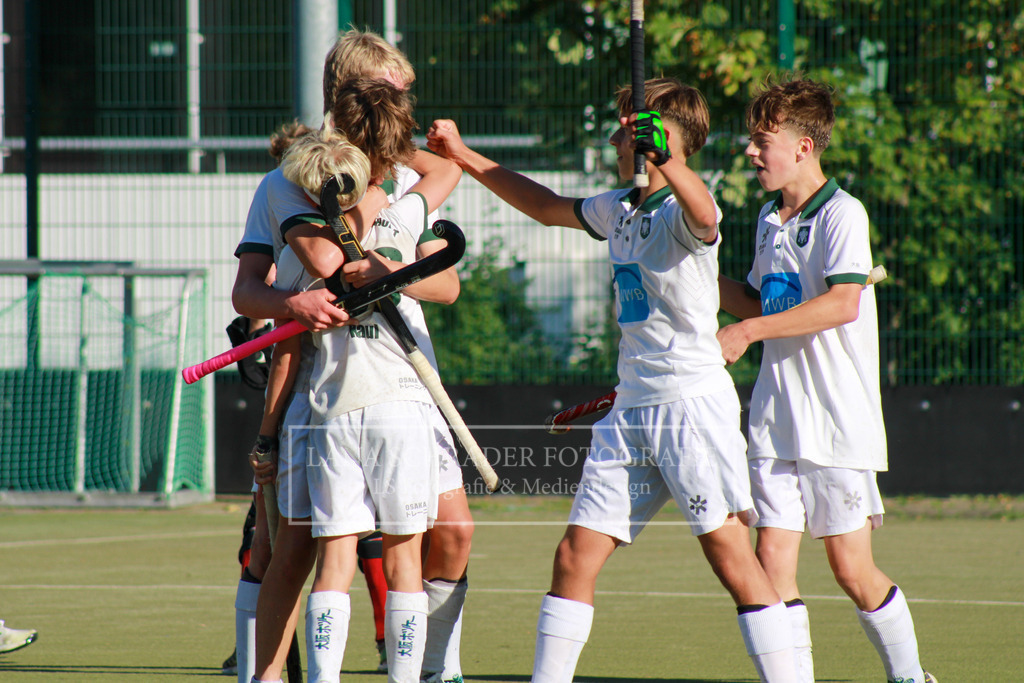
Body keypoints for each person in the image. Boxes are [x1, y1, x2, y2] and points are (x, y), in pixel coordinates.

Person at [428, 76, 797, 682]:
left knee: (729, 553)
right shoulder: (618, 208)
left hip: (689, 406)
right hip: (632, 407)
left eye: (625, 127)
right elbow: (546, 207)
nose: (612, 137)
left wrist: (669, 162)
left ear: (661, 136)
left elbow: (707, 214)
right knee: (575, 555)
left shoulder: (683, 211)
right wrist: (464, 156)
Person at [236, 30, 473, 683]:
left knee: (445, 531)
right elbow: (286, 276)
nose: (406, 107)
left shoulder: (403, 174)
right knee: (295, 544)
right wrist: (292, 305)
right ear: (351, 99)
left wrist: (431, 160)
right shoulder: (292, 181)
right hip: (318, 382)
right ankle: (265, 673)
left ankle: (433, 667)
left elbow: (442, 268)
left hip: (403, 382)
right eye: (392, 95)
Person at [716, 77, 935, 683]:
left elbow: (841, 304)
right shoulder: (767, 217)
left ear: (804, 147)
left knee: (851, 570)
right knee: (770, 567)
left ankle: (910, 677)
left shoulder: (844, 213)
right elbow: (759, 300)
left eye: (763, 142)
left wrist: (749, 332)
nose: (751, 153)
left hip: (835, 421)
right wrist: (691, 273)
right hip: (774, 418)